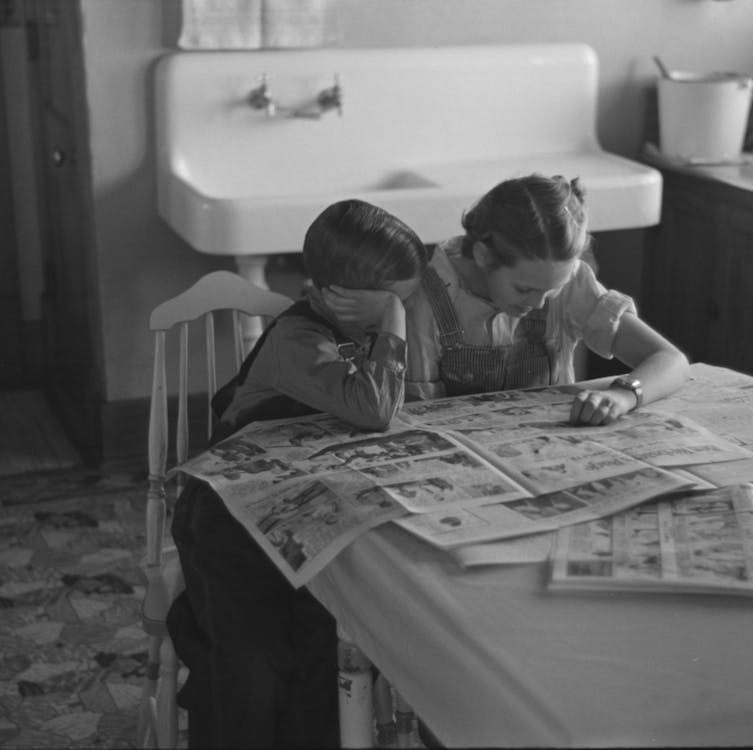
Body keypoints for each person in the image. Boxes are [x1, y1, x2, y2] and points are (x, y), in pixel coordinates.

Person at [167, 199, 431, 748]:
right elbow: (375, 408)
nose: (404, 310)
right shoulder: (298, 340)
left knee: (327, 650)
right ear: (345, 295)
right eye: (397, 301)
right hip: (228, 517)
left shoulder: (354, 330)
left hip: (302, 506)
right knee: (251, 670)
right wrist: (395, 326)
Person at [405, 173, 689, 424]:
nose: (539, 304)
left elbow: (670, 360)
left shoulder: (571, 283)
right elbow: (420, 414)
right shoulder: (427, 300)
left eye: (552, 290)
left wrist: (624, 396)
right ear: (483, 256)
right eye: (524, 290)